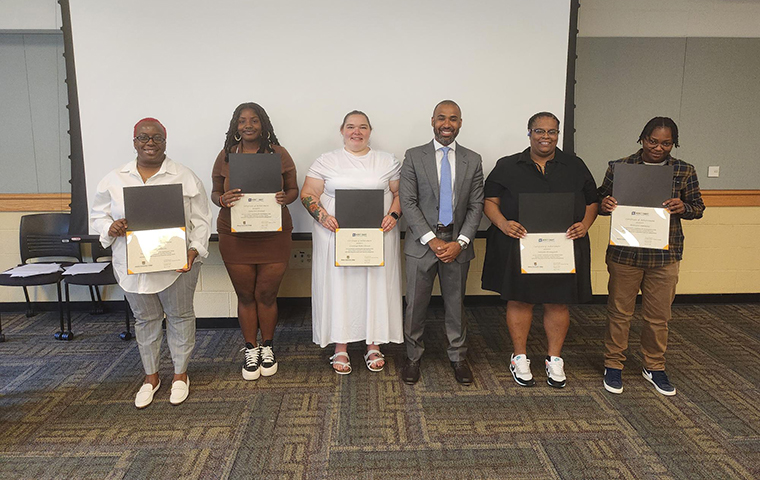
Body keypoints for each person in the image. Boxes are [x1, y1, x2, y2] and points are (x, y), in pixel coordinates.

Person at [90, 118, 211, 408]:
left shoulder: (184, 176)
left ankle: (180, 375)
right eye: (143, 137)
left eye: (156, 137)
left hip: (177, 265)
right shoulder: (114, 179)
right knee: (145, 321)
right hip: (133, 265)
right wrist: (111, 228)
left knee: (180, 317)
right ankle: (151, 377)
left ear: (165, 141)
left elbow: (202, 220)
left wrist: (194, 252)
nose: (150, 142)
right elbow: (98, 217)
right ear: (134, 142)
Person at [481, 112, 598, 389]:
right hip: (519, 245)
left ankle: (554, 359)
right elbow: (489, 201)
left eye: (552, 132)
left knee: (558, 301)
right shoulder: (507, 165)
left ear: (558, 134)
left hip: (563, 246)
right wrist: (502, 223)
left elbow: (593, 201)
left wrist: (585, 224)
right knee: (520, 299)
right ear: (529, 133)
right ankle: (519, 356)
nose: (546, 137)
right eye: (539, 131)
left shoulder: (575, 165)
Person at [598, 117, 704, 396]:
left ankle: (654, 366)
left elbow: (698, 208)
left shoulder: (684, 170)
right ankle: (613, 365)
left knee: (659, 316)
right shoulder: (620, 167)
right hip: (625, 252)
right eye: (653, 141)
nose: (658, 147)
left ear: (674, 144)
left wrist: (683, 206)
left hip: (664, 256)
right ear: (642, 139)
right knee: (619, 313)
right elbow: (599, 201)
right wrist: (604, 204)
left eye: (666, 143)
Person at [300, 110, 403, 374]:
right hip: (335, 236)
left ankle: (373, 344)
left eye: (363, 127)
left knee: (375, 286)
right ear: (342, 130)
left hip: (377, 235)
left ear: (370, 130)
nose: (356, 132)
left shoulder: (386, 160)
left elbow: (400, 193)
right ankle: (341, 347)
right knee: (340, 288)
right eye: (351, 126)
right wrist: (321, 215)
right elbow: (309, 193)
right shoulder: (326, 160)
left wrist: (394, 214)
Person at [211, 103, 299, 381]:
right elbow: (215, 191)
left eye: (254, 120)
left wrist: (287, 197)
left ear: (263, 124)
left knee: (266, 294)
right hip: (235, 235)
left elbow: (293, 188)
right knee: (246, 295)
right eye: (242, 121)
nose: (248, 125)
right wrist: (222, 200)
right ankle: (251, 348)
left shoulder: (279, 154)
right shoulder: (226, 155)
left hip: (273, 234)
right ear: (235, 126)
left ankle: (268, 347)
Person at [399, 100, 484, 386]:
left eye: (453, 119)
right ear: (432, 121)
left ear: (460, 123)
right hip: (422, 244)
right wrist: (431, 239)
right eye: (441, 118)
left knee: (455, 305)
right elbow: (408, 203)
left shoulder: (472, 159)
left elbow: (476, 205)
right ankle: (412, 358)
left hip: (457, 244)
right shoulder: (414, 156)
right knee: (416, 305)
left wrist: (460, 241)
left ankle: (458, 357)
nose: (447, 124)